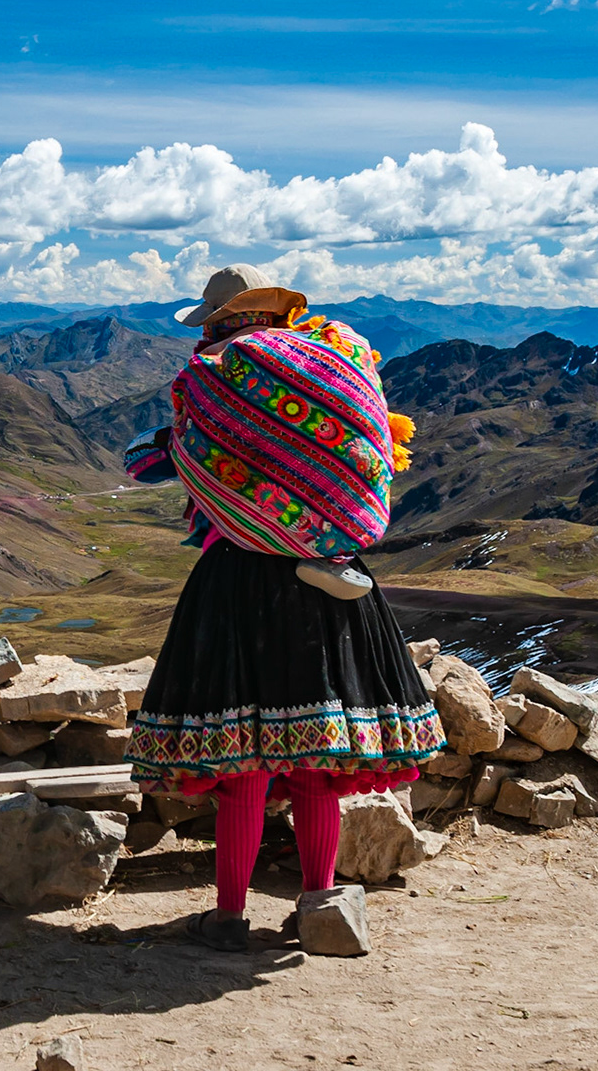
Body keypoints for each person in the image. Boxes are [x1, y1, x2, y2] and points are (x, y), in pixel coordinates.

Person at [123, 265, 445, 952]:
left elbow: (158, 463)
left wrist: (167, 449)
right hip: (334, 584)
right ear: (278, 314)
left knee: (242, 765)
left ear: (219, 322)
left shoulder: (216, 380)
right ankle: (318, 907)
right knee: (315, 766)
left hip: (241, 585)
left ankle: (229, 916)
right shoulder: (341, 366)